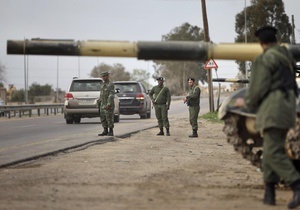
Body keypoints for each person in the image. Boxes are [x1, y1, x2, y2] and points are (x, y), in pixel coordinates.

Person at [235, 26, 300, 208]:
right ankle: (269, 193)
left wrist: (247, 103)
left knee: (272, 152)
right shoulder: (286, 57)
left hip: (273, 108)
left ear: (262, 43)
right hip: (287, 107)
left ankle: (297, 185)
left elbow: (257, 88)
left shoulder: (264, 59)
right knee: (272, 149)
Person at [98, 71, 115, 136]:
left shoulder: (110, 84)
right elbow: (101, 94)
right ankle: (105, 130)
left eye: (105, 76)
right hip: (102, 104)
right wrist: (99, 103)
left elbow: (111, 95)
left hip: (108, 104)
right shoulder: (103, 84)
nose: (103, 77)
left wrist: (109, 104)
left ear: (107, 76)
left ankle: (111, 131)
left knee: (109, 117)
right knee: (103, 117)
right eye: (103, 76)